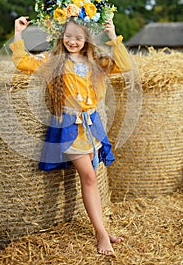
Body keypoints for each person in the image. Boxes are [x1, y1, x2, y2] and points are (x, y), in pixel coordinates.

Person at [10, 14, 132, 257]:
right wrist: (18, 33)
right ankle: (100, 233)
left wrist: (112, 35)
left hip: (91, 126)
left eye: (78, 37)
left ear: (86, 39)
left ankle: (103, 231)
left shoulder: (96, 61)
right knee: (88, 176)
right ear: (61, 37)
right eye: (68, 36)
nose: (72, 41)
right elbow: (22, 62)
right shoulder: (53, 61)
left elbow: (125, 65)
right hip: (69, 127)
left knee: (92, 177)